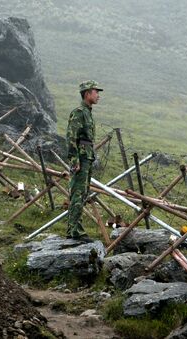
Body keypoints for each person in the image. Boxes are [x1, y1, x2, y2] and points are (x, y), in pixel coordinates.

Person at [66, 80, 103, 241]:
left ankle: (76, 229)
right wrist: (75, 160)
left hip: (87, 156)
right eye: (96, 92)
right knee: (77, 193)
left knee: (83, 194)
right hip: (80, 157)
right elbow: (71, 137)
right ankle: (74, 231)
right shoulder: (79, 113)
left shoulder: (88, 112)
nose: (98, 96)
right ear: (87, 93)